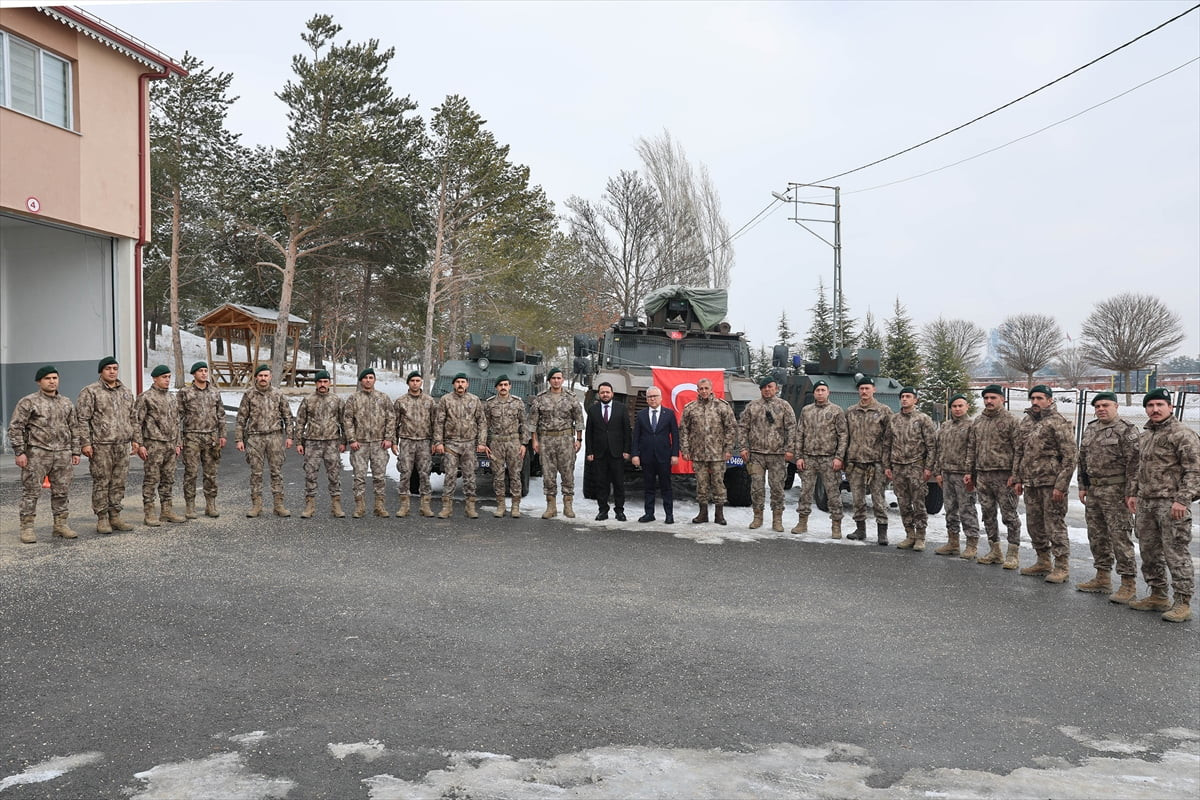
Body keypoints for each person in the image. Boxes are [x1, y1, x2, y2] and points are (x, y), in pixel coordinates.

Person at [1125, 388, 1200, 623]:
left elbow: (1194, 470)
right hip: (1146, 504)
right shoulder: (1146, 435)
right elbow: (1139, 468)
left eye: (1160, 405)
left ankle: (1182, 602)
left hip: (1171, 505)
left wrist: (1182, 500)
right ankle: (1157, 595)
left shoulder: (1182, 434)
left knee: (1175, 553)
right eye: (1150, 405)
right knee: (1149, 552)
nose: (1155, 409)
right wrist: (1134, 494)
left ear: (1170, 407)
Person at [1076, 391, 1140, 601]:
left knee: (1120, 537)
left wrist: (1132, 493)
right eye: (1097, 406)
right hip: (1094, 490)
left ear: (1116, 406)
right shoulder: (1091, 428)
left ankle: (1128, 583)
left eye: (1105, 405)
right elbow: (1082, 459)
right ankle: (1102, 576)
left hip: (1116, 492)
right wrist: (1083, 485)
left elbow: (1134, 465)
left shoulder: (1126, 430)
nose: (1101, 409)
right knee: (1096, 536)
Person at [9, 365, 83, 543]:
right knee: (31, 492)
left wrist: (75, 451)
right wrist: (20, 452)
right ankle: (27, 528)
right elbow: (16, 427)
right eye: (48, 378)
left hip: (62, 454)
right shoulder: (29, 402)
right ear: (39, 381)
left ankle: (60, 525)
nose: (52, 381)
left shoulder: (66, 402)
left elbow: (74, 427)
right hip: (37, 454)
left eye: (55, 378)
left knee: (61, 491)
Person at [1013, 385, 1077, 584]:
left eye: (1040, 398)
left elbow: (1070, 456)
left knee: (1054, 525)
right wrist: (1017, 478)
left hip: (1051, 483)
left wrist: (1061, 485)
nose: (1035, 402)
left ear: (1050, 400)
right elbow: (1019, 452)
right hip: (1031, 482)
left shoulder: (1058, 423)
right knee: (1034, 524)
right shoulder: (1027, 422)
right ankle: (1043, 560)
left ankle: (1061, 566)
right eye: (1033, 398)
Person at [76, 356, 136, 534]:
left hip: (122, 445)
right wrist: (85, 443)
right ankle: (102, 518)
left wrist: (136, 440)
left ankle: (115, 516)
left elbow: (133, 418)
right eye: (108, 368)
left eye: (115, 368)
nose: (112, 371)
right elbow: (82, 419)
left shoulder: (125, 392)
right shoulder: (90, 391)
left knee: (119, 481)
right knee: (102, 481)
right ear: (101, 371)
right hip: (101, 445)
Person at [965, 384, 1022, 566]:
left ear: (1002, 399)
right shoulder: (978, 421)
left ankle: (1012, 553)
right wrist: (969, 472)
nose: (989, 401)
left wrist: (1016, 475)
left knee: (1009, 515)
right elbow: (972, 448)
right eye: (986, 398)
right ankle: (994, 550)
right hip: (983, 475)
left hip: (1004, 476)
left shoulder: (1011, 420)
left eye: (993, 398)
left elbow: (1019, 450)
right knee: (987, 514)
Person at [235, 365, 294, 518]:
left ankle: (279, 505)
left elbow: (288, 416)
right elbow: (241, 418)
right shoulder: (249, 395)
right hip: (255, 438)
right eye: (260, 375)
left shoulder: (278, 394)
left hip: (274, 437)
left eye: (266, 375)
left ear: (270, 377)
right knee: (256, 473)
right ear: (256, 377)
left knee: (276, 472)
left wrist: (289, 436)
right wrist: (239, 439)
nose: (263, 378)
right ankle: (256, 505)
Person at [738, 377, 796, 532]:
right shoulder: (752, 406)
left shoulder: (784, 406)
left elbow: (792, 428)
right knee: (756, 487)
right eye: (764, 387)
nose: (767, 389)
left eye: (770, 387)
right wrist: (743, 448)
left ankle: (777, 520)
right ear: (760, 389)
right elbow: (743, 427)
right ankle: (758, 517)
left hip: (777, 455)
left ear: (776, 388)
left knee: (777, 488)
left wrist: (790, 449)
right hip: (756, 455)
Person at [883, 387, 937, 551]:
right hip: (898, 467)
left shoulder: (923, 419)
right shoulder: (894, 419)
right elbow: (887, 444)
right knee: (903, 503)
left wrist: (928, 468)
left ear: (916, 400)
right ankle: (909, 534)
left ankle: (920, 536)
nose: (905, 399)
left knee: (919, 502)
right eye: (903, 396)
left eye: (908, 396)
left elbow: (932, 446)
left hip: (916, 466)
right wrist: (887, 466)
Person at [792, 379, 847, 537]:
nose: (820, 393)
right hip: (809, 458)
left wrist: (839, 457)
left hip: (829, 458)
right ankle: (802, 522)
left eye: (823, 390)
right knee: (805, 492)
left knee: (833, 494)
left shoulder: (836, 411)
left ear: (828, 392)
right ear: (814, 393)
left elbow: (843, 436)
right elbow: (800, 433)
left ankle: (836, 525)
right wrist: (799, 457)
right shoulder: (806, 410)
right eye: (818, 390)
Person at [133, 365, 186, 527]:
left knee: (168, 479)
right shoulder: (145, 397)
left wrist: (178, 442)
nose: (167, 380)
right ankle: (149, 513)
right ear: (155, 378)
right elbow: (136, 422)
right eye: (164, 377)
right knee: (151, 479)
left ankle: (166, 510)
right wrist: (139, 444)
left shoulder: (171, 397)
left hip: (170, 445)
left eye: (169, 377)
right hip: (153, 444)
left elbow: (177, 422)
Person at [680, 378, 737, 525]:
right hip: (698, 453)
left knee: (718, 484)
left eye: (706, 388)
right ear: (697, 390)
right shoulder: (690, 408)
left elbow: (731, 428)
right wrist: (685, 449)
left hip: (717, 453)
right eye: (701, 389)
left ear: (711, 389)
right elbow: (684, 430)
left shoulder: (722, 406)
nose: (704, 391)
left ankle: (719, 514)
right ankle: (703, 513)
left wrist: (728, 448)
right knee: (701, 484)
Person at [529, 367, 584, 519]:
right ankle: (551, 506)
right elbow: (533, 422)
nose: (556, 381)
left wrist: (579, 440)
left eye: (559, 378)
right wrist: (535, 440)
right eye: (553, 378)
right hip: (546, 440)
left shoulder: (571, 397)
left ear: (563, 380)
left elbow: (579, 420)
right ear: (549, 380)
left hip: (566, 440)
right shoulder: (540, 398)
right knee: (548, 474)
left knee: (567, 473)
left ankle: (568, 505)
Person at [844, 376, 891, 543]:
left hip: (876, 462)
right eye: (862, 388)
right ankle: (860, 529)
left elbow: (889, 438)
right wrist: (844, 459)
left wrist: (887, 463)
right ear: (858, 391)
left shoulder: (884, 411)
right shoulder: (850, 411)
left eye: (867, 388)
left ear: (874, 390)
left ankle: (882, 532)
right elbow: (845, 437)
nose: (864, 391)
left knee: (878, 498)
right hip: (856, 461)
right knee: (857, 498)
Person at [342, 367, 394, 518]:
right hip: (360, 444)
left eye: (371, 378)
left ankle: (379, 506)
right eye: (365, 378)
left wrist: (388, 438)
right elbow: (347, 420)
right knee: (359, 476)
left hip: (379, 443)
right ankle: (359, 506)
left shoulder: (383, 398)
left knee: (379, 477)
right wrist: (351, 439)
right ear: (361, 381)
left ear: (375, 380)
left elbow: (391, 419)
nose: (368, 380)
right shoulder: (353, 399)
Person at [433, 373, 487, 518]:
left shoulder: (474, 400)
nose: (460, 384)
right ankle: (446, 508)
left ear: (467, 384)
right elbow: (439, 422)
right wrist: (438, 442)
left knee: (469, 476)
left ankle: (470, 507)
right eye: (457, 382)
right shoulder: (446, 400)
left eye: (463, 382)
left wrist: (482, 442)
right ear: (453, 384)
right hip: (451, 444)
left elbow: (482, 423)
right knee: (450, 475)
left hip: (469, 444)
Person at [177, 360, 226, 519]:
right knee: (191, 472)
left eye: (206, 370)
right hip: (192, 437)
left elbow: (221, 415)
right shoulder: (185, 392)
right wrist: (178, 439)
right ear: (194, 374)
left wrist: (222, 435)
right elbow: (178, 417)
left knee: (211, 473)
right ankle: (190, 505)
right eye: (200, 371)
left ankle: (210, 504)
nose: (204, 373)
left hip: (211, 437)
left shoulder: (214, 392)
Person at [932, 393, 980, 556]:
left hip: (963, 475)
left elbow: (973, 451)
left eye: (960, 406)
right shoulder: (945, 426)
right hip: (947, 474)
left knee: (967, 509)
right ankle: (953, 542)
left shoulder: (972, 426)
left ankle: (971, 544)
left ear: (967, 407)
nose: (957, 409)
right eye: (954, 406)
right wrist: (937, 472)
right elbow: (939, 450)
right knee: (950, 509)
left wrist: (970, 473)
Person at [295, 369, 346, 519]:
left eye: (325, 381)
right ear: (316, 383)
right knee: (310, 474)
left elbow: (344, 422)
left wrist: (344, 441)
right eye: (319, 382)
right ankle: (310, 505)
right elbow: (300, 422)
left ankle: (336, 505)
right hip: (312, 443)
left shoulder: (337, 400)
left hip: (332, 442)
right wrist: (299, 442)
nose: (322, 384)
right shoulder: (308, 400)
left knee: (334, 474)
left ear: (329, 382)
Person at [632, 386, 679, 523]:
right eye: (649, 397)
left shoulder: (669, 414)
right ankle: (649, 513)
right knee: (648, 486)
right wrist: (635, 454)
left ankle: (669, 515)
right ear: (646, 399)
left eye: (655, 396)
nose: (652, 399)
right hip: (646, 457)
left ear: (660, 398)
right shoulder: (641, 415)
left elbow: (675, 435)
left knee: (666, 487)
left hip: (664, 456)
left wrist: (675, 454)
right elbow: (636, 437)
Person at [586, 381, 632, 522]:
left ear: (612, 393)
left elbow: (626, 431)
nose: (605, 395)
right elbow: (589, 432)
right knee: (601, 484)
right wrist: (589, 451)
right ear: (599, 394)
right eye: (602, 392)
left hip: (617, 453)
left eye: (607, 392)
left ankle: (619, 511)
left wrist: (626, 450)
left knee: (618, 483)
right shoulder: (593, 410)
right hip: (599, 454)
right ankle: (602, 510)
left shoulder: (621, 408)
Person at [484, 374, 528, 518]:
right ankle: (501, 505)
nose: (503, 387)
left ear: (510, 386)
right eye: (500, 385)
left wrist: (524, 444)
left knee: (515, 474)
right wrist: (483, 443)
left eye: (505, 384)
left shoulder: (518, 403)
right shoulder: (490, 404)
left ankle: (515, 506)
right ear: (496, 387)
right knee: (498, 476)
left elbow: (524, 424)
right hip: (496, 443)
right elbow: (485, 425)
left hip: (513, 442)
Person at [393, 371, 436, 518]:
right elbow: (394, 423)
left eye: (418, 380)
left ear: (422, 382)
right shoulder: (401, 401)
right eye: (412, 380)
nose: (415, 383)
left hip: (424, 441)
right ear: (408, 383)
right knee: (405, 473)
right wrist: (394, 442)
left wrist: (436, 442)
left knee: (425, 474)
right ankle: (404, 506)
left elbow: (435, 423)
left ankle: (425, 506)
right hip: (407, 441)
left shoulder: (429, 401)